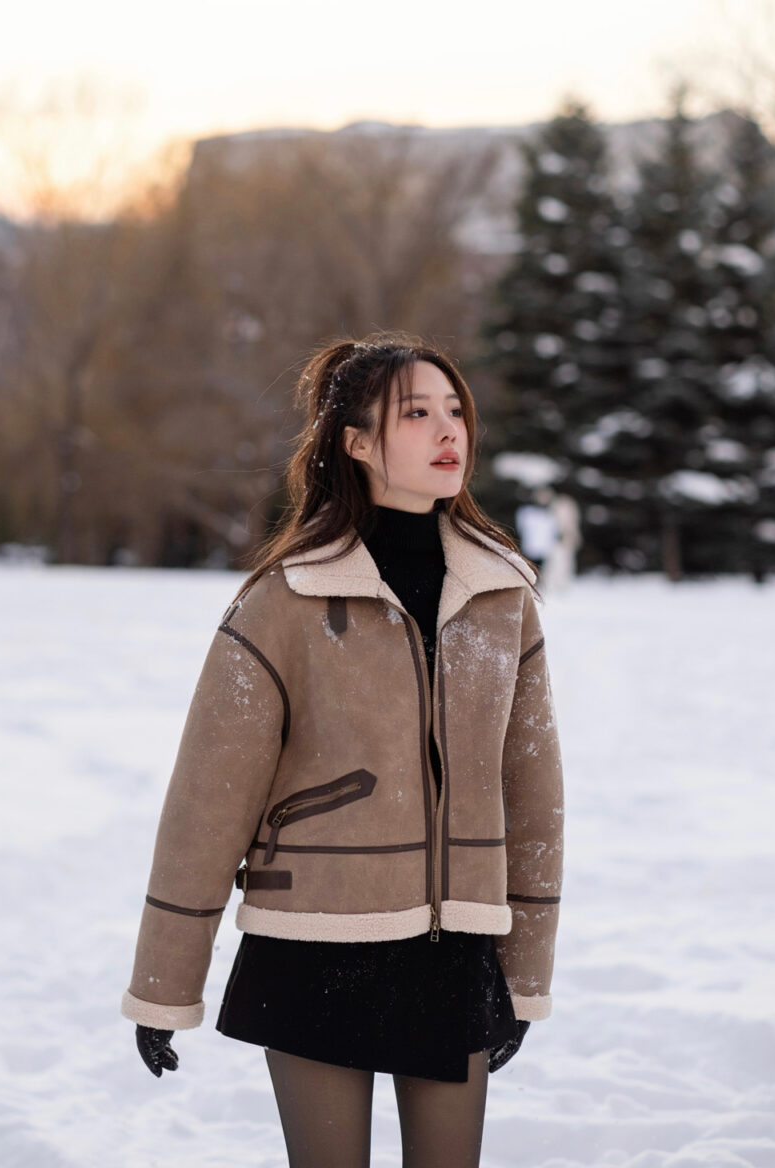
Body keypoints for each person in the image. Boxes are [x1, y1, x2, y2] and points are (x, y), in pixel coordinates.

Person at [121, 334, 565, 1168]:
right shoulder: (282, 601)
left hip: (454, 950)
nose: (450, 431)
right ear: (356, 443)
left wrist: (522, 972)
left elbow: (534, 796)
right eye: (417, 413)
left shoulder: (503, 600)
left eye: (456, 410)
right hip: (310, 941)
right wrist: (163, 986)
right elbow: (207, 805)